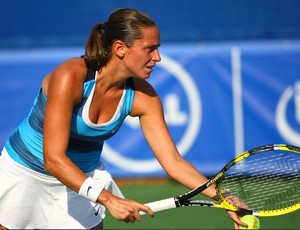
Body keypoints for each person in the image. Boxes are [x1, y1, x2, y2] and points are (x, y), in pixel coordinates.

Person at [0, 8, 247, 229]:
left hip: (82, 180)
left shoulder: (144, 98)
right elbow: (53, 160)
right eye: (150, 49)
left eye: (158, 48)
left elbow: (173, 161)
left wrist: (223, 197)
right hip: (24, 173)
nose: (158, 57)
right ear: (120, 48)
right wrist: (108, 199)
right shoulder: (69, 77)